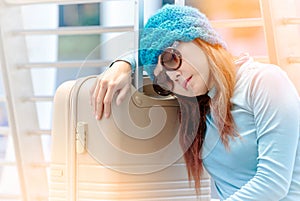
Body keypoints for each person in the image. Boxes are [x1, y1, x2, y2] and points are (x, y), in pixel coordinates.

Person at [90, 4, 300, 201]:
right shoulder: (200, 107)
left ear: (200, 38)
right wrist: (123, 64)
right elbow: (151, 54)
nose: (174, 79)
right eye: (163, 80)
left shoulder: (264, 82)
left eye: (171, 60)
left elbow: (273, 183)